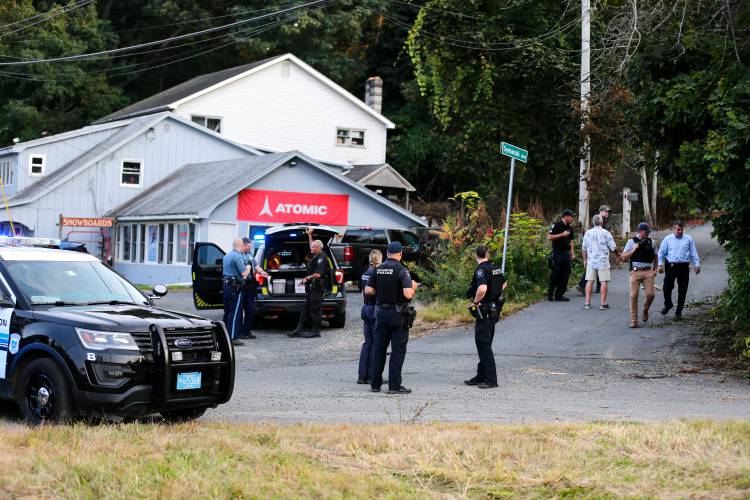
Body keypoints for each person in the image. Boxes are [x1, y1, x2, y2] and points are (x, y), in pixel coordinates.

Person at [365, 241, 419, 394]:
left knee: (379, 349)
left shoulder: (378, 269)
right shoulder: (402, 270)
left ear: (387, 253)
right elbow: (408, 294)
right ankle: (394, 386)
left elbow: (368, 290)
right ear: (401, 254)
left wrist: (382, 292)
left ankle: (375, 385)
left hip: (380, 314)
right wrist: (414, 287)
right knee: (397, 351)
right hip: (398, 315)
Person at [464, 245, 507, 389]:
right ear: (487, 254)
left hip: (485, 310)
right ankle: (481, 376)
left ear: (476, 255)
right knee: (485, 344)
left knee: (483, 345)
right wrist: (494, 294)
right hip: (494, 310)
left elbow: (482, 289)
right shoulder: (495, 268)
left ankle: (491, 379)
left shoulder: (482, 269)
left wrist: (475, 303)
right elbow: (504, 283)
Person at [289, 227, 330, 338]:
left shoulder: (322, 258)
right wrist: (309, 235)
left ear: (318, 248)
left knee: (315, 309)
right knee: (306, 308)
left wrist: (306, 279)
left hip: (317, 288)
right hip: (312, 288)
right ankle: (299, 330)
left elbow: (318, 274)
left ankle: (316, 331)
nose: (310, 248)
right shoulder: (316, 254)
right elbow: (312, 244)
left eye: (313, 247)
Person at [658, 221, 700, 318]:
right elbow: (661, 252)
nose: (680, 231)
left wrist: (697, 264)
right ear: (674, 228)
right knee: (667, 287)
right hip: (671, 266)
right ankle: (668, 304)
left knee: (683, 289)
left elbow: (693, 252)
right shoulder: (667, 239)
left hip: (684, 267)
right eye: (678, 229)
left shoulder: (688, 239)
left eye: (681, 230)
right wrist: (660, 264)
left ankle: (679, 311)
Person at [621, 222, 658, 328]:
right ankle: (634, 320)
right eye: (647, 232)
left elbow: (656, 256)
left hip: (648, 271)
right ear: (641, 231)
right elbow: (623, 258)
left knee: (651, 294)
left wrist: (655, 268)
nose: (648, 234)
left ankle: (645, 310)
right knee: (633, 296)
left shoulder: (652, 242)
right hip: (635, 271)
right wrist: (633, 249)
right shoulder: (631, 242)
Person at [582, 214, 617, 310]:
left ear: (593, 222)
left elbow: (584, 248)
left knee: (589, 281)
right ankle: (603, 303)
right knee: (603, 281)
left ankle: (587, 303)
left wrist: (585, 260)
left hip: (591, 261)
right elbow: (613, 247)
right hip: (603, 261)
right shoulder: (606, 233)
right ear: (601, 222)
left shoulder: (588, 233)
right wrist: (618, 256)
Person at [357, 249, 382, 384]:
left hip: (365, 307)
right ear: (380, 259)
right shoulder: (377, 274)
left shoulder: (365, 273)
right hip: (374, 308)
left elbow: (363, 293)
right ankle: (372, 375)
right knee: (376, 343)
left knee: (367, 342)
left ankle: (362, 375)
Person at [577, 204, 611, 295]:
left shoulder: (604, 220)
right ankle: (582, 284)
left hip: (599, 250)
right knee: (592, 270)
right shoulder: (598, 219)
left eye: (608, 211)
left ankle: (598, 287)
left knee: (598, 269)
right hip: (594, 249)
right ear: (601, 211)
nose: (607, 213)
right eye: (606, 211)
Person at [239, 237, 269, 340]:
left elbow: (256, 266)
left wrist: (262, 272)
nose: (250, 248)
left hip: (251, 286)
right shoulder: (238, 256)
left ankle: (247, 330)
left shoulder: (250, 255)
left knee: (250, 309)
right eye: (248, 246)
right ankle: (239, 332)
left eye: (251, 246)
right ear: (243, 245)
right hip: (241, 286)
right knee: (239, 310)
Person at [222, 238, 250, 346]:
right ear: (241, 245)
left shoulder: (226, 256)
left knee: (227, 311)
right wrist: (248, 267)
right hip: (235, 287)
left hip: (226, 285)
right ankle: (233, 337)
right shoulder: (237, 256)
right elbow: (244, 273)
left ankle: (224, 335)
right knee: (235, 313)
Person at [547, 209, 576, 302]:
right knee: (555, 275)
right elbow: (550, 237)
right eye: (571, 217)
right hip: (557, 253)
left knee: (565, 275)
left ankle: (559, 295)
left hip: (566, 254)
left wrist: (572, 252)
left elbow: (571, 240)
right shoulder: (556, 225)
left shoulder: (570, 228)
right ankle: (550, 295)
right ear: (566, 216)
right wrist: (562, 234)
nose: (572, 219)